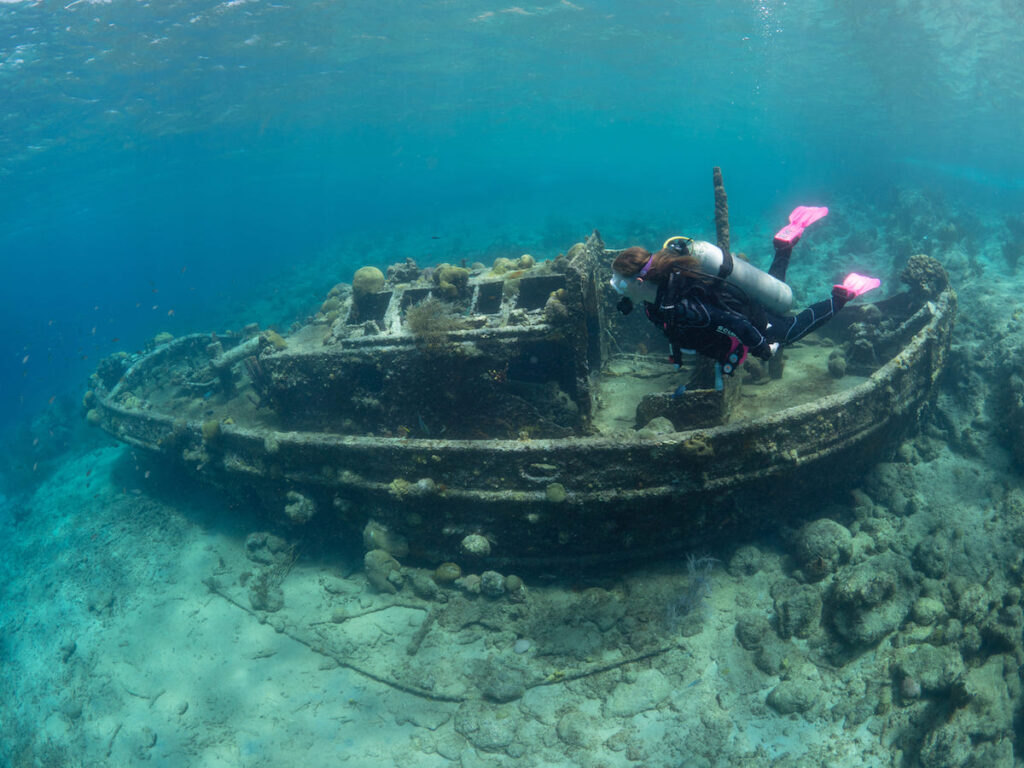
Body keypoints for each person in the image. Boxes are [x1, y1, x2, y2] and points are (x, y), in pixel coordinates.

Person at [609, 207, 879, 379]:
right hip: (735, 301)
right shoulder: (656, 293)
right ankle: (785, 243)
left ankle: (843, 295)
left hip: (744, 313)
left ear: (641, 281)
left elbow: (733, 323)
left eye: (620, 282)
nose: (616, 287)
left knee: (790, 331)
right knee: (773, 290)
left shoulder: (680, 306)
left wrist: (762, 348)